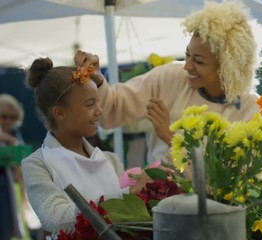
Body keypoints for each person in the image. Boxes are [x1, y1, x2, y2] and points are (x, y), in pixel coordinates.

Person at [74, 1, 262, 169]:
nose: (187, 66)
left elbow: (229, 177)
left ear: (228, 68)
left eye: (198, 61)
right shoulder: (171, 77)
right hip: (159, 197)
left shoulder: (251, 109)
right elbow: (112, 110)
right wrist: (98, 80)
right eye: (187, 55)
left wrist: (169, 136)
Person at [21, 58, 164, 237]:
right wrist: (128, 193)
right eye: (90, 104)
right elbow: (56, 219)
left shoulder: (109, 159)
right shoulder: (36, 164)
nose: (99, 111)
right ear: (59, 113)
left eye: (98, 102)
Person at [0, 94, 26, 240]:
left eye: (12, 117)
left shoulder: (16, 136)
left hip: (12, 193)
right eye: (3, 116)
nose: (8, 121)